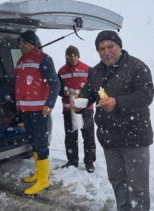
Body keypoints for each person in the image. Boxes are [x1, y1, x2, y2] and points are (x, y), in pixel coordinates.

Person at [75, 30, 154, 211]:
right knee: (118, 183)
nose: (106, 51)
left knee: (138, 188)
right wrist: (79, 102)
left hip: (135, 138)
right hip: (109, 138)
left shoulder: (136, 67)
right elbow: (88, 94)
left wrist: (117, 102)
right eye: (101, 48)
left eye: (110, 46)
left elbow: (146, 95)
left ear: (119, 47)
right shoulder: (95, 72)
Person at [15, 30, 60, 195]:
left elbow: (55, 84)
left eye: (21, 43)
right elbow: (15, 83)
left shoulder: (44, 59)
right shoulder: (20, 60)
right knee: (33, 141)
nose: (19, 46)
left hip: (39, 110)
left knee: (40, 143)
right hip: (25, 110)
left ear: (29, 43)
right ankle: (39, 174)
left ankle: (44, 180)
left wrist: (49, 104)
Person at [58, 45, 96, 173]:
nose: (73, 57)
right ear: (66, 56)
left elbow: (93, 89)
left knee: (88, 137)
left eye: (75, 55)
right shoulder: (61, 71)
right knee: (70, 137)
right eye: (70, 55)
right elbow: (57, 89)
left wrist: (81, 93)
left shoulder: (88, 69)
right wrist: (65, 92)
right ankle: (72, 160)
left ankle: (89, 162)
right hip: (68, 110)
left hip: (86, 109)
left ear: (79, 56)